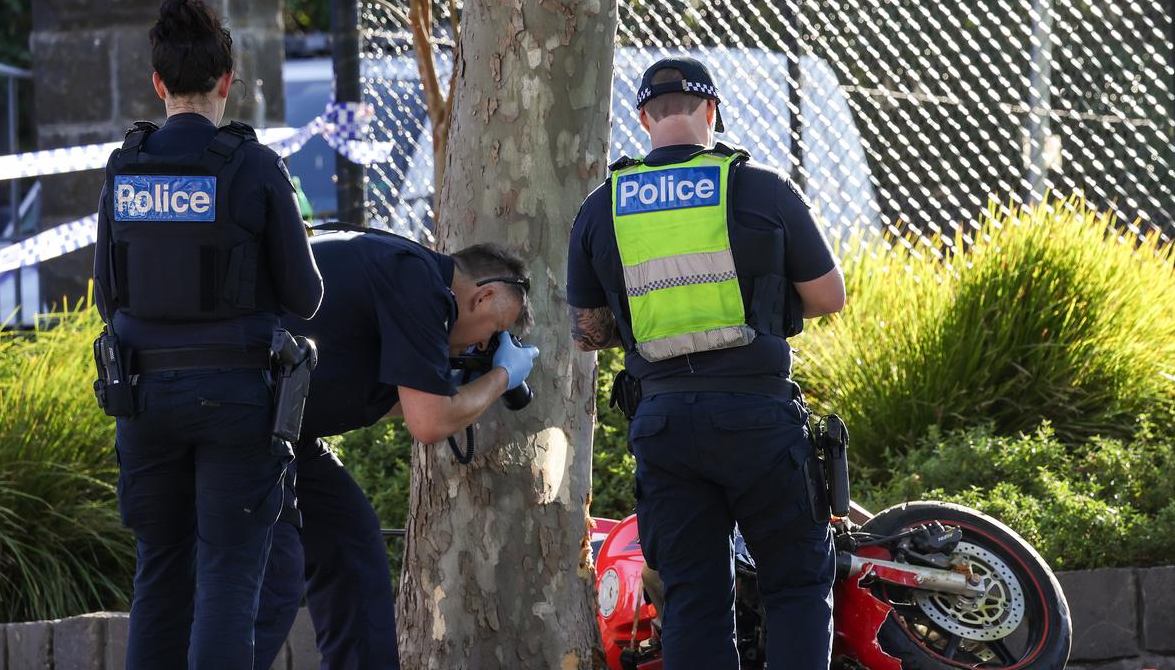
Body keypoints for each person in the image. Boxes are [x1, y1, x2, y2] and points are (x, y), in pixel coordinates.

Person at [566, 57, 847, 670]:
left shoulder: (600, 207)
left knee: (694, 600)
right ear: (712, 111)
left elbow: (588, 333)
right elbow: (830, 297)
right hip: (759, 417)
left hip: (664, 423)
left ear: (643, 118)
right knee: (796, 585)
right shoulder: (760, 187)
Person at [92, 0, 323, 669]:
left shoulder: (124, 166)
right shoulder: (253, 166)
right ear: (227, 82)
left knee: (159, 575)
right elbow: (307, 297)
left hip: (142, 398)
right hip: (236, 402)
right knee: (228, 576)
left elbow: (108, 297)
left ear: (158, 85)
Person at [252, 228, 539, 670]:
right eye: (494, 331)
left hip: (284, 432)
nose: (483, 348)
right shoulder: (419, 282)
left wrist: (455, 389)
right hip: (241, 425)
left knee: (351, 546)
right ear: (482, 298)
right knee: (272, 584)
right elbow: (430, 423)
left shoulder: (406, 276)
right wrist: (501, 377)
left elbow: (393, 399)